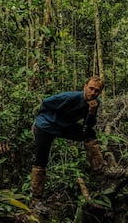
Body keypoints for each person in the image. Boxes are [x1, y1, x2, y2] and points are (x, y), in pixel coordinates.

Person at [31, 76, 106, 210]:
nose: (93, 93)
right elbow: (46, 103)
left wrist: (92, 112)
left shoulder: (95, 102)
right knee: (41, 161)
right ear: (85, 87)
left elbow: (88, 126)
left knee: (90, 135)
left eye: (97, 91)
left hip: (64, 127)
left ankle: (99, 171)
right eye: (91, 89)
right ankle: (36, 200)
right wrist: (41, 120)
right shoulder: (69, 97)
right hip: (46, 126)